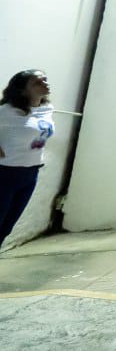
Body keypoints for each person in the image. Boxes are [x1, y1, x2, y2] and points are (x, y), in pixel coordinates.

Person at [0, 70, 54, 250]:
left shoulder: (46, 109)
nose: (45, 84)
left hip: (30, 174)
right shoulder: (7, 111)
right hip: (5, 174)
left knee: (6, 227)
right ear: (23, 90)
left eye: (45, 80)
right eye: (37, 82)